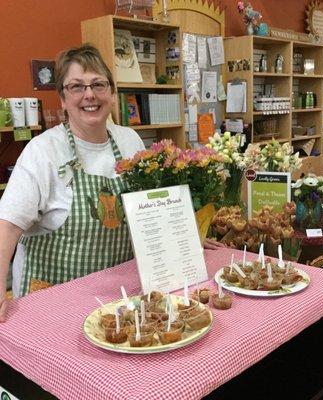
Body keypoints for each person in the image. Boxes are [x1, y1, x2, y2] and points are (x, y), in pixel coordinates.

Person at [0, 44, 223, 322]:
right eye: (77, 86)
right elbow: (7, 224)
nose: (89, 94)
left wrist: (188, 236)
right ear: (62, 97)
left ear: (112, 93)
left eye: (98, 84)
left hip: (117, 299)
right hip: (55, 303)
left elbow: (153, 207)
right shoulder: (42, 151)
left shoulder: (129, 140)